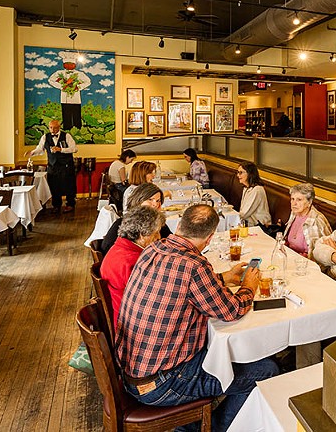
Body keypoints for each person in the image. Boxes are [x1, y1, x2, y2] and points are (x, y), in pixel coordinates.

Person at [116, 204, 278, 432]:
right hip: (162, 385)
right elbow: (231, 311)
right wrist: (248, 286)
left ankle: (188, 426)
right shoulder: (194, 265)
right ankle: (216, 428)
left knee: (216, 351)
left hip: (131, 374)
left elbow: (179, 285)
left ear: (179, 225)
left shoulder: (153, 249)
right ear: (210, 238)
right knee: (266, 370)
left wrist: (222, 277)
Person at [100, 205, 165, 328]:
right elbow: (152, 301)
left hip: (121, 314)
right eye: (155, 233)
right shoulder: (134, 262)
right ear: (141, 235)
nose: (158, 237)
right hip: (130, 326)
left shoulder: (120, 247)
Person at [101, 183, 172, 254]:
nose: (155, 204)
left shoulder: (158, 224)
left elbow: (171, 241)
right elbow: (106, 248)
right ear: (138, 201)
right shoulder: (123, 224)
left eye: (158, 201)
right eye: (150, 199)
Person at [25, 119, 77, 213]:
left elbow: (74, 149)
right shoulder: (45, 137)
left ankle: (70, 204)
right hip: (53, 166)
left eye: (55, 128)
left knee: (69, 185)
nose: (52, 130)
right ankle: (56, 206)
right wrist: (32, 152)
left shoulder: (67, 136)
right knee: (54, 186)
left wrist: (60, 149)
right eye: (51, 127)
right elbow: (40, 149)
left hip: (66, 166)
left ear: (59, 127)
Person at [282, 183, 331, 257]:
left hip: (306, 263)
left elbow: (322, 253)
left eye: (299, 200)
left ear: (309, 202)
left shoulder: (316, 220)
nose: (294, 203)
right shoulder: (294, 214)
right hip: (291, 256)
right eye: (292, 199)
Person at [47, 51, 91, 131]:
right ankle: (67, 130)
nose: (69, 66)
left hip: (76, 99)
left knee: (76, 116)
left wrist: (78, 87)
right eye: (67, 64)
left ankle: (78, 130)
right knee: (66, 115)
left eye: (71, 64)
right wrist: (62, 86)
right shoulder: (60, 73)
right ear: (64, 65)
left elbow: (88, 81)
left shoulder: (79, 74)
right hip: (65, 99)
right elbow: (50, 80)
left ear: (75, 65)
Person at [237, 161, 271, 226]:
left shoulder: (257, 190)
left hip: (260, 226)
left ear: (250, 174)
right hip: (248, 223)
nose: (238, 175)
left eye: (241, 173)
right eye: (238, 172)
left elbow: (244, 214)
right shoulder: (246, 188)